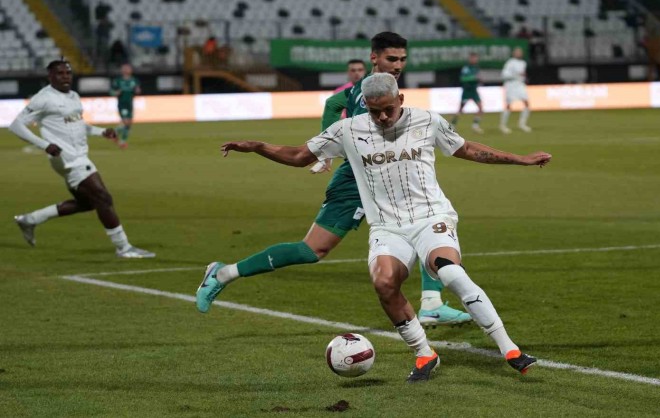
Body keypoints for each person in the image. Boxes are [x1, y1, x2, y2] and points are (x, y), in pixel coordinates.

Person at [216, 73, 552, 382]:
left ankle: (510, 349)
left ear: (400, 99)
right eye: (374, 111)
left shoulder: (427, 120)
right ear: (365, 104)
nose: (382, 117)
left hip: (431, 216)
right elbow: (300, 155)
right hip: (386, 227)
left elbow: (467, 148)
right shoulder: (348, 130)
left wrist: (520, 159)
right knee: (384, 282)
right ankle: (425, 354)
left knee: (449, 271)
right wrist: (258, 147)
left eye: (388, 109)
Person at [197, 32, 472, 328]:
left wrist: (326, 150)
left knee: (427, 220)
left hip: (384, 179)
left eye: (402, 59)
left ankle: (431, 303)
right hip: (356, 182)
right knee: (312, 250)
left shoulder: (369, 89)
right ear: (374, 58)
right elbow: (352, 127)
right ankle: (223, 273)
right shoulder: (366, 96)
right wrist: (325, 148)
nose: (398, 65)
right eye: (391, 59)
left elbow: (333, 102)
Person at [9, 60, 155, 259]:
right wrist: (44, 145)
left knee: (88, 203)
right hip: (67, 158)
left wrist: (101, 132)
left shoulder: (73, 96)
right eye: (60, 73)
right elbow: (16, 125)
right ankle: (124, 247)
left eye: (68, 73)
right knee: (103, 198)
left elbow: (78, 124)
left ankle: (30, 219)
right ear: (50, 77)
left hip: (78, 155)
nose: (65, 77)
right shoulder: (43, 99)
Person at [449, 53, 484, 134]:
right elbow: (463, 78)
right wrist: (474, 78)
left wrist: (479, 80)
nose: (475, 60)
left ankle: (475, 126)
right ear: (470, 59)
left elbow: (477, 77)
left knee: (480, 108)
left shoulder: (476, 68)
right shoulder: (466, 68)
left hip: (474, 91)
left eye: (476, 58)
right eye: (473, 58)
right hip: (467, 91)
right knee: (461, 110)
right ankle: (452, 125)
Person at [499, 47, 532, 134]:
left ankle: (522, 124)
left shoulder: (523, 63)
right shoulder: (510, 63)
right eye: (517, 52)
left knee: (526, 103)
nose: (519, 53)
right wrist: (516, 75)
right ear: (514, 53)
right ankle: (503, 125)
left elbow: (523, 74)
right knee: (509, 105)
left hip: (520, 85)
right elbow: (504, 74)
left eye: (520, 52)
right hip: (511, 85)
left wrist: (524, 77)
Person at [110, 63, 141, 149]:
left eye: (128, 68)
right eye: (125, 68)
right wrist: (116, 93)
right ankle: (116, 135)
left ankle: (121, 140)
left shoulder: (134, 80)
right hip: (122, 103)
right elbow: (111, 91)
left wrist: (137, 91)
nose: (127, 70)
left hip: (130, 103)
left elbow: (137, 90)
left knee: (129, 123)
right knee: (126, 122)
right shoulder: (118, 81)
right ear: (122, 70)